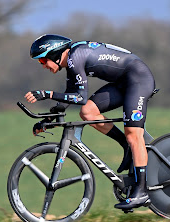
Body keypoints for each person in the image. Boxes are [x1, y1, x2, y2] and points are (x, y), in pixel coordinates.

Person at [25, 34, 156, 210]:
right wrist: (48, 119)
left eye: (43, 61)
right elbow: (69, 98)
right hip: (122, 83)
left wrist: (47, 94)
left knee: (134, 135)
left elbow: (79, 97)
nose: (43, 66)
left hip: (138, 79)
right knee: (88, 112)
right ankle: (126, 145)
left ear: (55, 54)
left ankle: (142, 191)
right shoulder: (71, 61)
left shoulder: (74, 58)